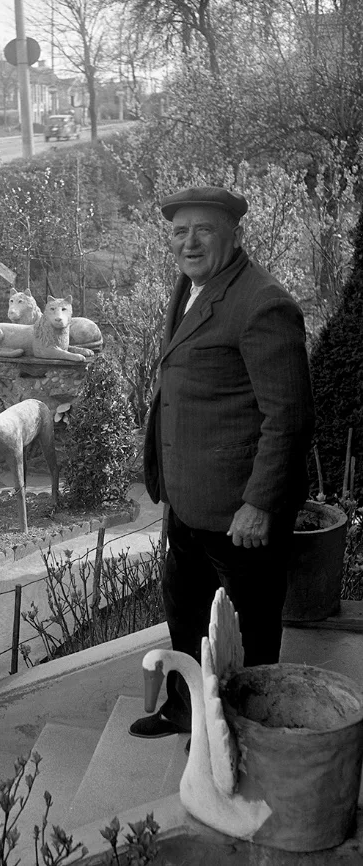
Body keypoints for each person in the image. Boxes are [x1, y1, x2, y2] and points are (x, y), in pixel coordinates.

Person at [129, 186, 315, 740]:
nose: (189, 242)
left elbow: (290, 417)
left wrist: (259, 504)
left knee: (249, 634)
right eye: (180, 231)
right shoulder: (192, 287)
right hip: (190, 502)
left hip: (240, 515)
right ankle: (186, 709)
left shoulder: (263, 303)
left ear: (233, 234)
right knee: (186, 613)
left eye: (203, 230)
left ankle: (247, 738)